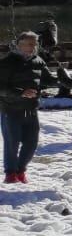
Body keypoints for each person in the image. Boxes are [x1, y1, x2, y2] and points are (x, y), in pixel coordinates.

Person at [1, 31, 48, 184]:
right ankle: (10, 174)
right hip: (11, 109)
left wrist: (65, 77)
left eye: (35, 44)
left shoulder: (38, 60)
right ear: (19, 44)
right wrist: (21, 93)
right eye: (29, 44)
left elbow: (48, 79)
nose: (33, 47)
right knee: (12, 142)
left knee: (31, 142)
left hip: (31, 109)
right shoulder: (8, 62)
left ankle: (21, 170)